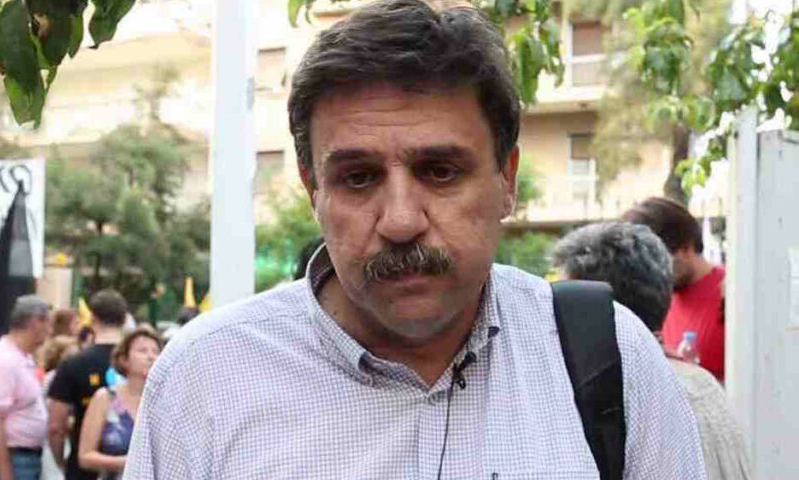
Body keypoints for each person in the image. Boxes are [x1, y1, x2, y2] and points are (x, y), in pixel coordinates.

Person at [124, 1, 705, 478]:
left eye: (440, 171)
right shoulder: (205, 381)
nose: (400, 221)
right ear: (312, 188)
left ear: (506, 179)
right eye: (358, 177)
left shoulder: (613, 361)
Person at [552, 222, 752, 479]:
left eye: (566, 308)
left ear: (596, 313)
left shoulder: (632, 398)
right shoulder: (700, 383)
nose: (556, 322)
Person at [623, 197, 726, 381]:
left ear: (685, 249)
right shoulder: (652, 298)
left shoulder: (729, 293)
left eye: (656, 261)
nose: (650, 271)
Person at [47, 290, 128, 480]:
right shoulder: (138, 363)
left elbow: (56, 425)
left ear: (92, 319)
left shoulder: (72, 363)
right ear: (124, 320)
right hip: (131, 467)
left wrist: (61, 460)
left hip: (84, 469)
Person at [0, 296, 52, 480]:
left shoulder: (23, 357)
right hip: (13, 458)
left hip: (26, 458)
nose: (50, 330)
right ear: (35, 322)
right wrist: (5, 475)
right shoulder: (3, 360)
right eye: (47, 323)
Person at [78, 328, 161, 480]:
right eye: (142, 351)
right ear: (124, 359)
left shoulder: (164, 401)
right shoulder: (105, 398)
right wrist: (128, 463)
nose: (151, 357)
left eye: (156, 352)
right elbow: (85, 457)